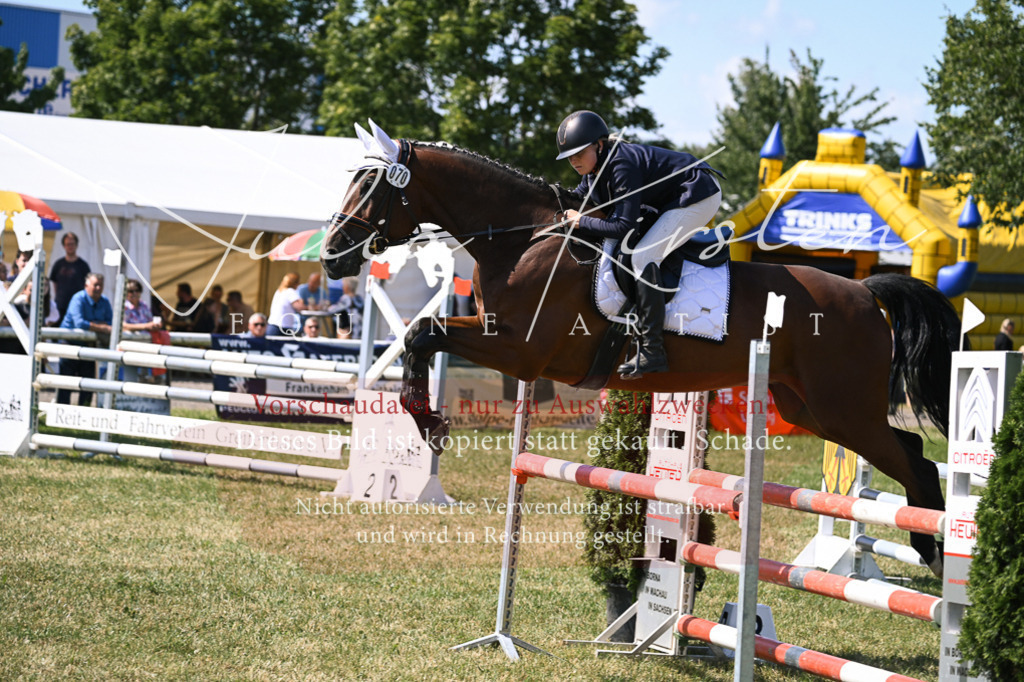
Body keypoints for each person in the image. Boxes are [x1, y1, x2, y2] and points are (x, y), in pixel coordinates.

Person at [557, 110, 723, 379]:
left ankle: (653, 350)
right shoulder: (594, 171)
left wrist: (581, 223)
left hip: (698, 193)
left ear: (600, 144)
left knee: (643, 256)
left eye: (579, 152)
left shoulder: (622, 165)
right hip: (671, 198)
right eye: (568, 156)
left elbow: (623, 226)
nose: (573, 160)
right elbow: (576, 201)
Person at [57, 272, 113, 405]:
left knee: (88, 383)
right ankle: (62, 413)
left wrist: (93, 325)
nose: (98, 288)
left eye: (100, 285)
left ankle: (84, 411)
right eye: (95, 285)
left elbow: (110, 323)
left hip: (88, 345)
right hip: (69, 344)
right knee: (66, 383)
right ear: (86, 285)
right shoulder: (78, 298)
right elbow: (79, 323)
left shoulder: (104, 301)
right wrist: (101, 327)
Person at [49, 232, 92, 324]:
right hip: (60, 306)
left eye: (72, 244)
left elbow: (88, 285)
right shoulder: (58, 264)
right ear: (64, 246)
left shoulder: (83, 265)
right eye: (68, 244)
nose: (70, 246)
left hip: (78, 306)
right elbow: (54, 283)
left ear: (76, 245)